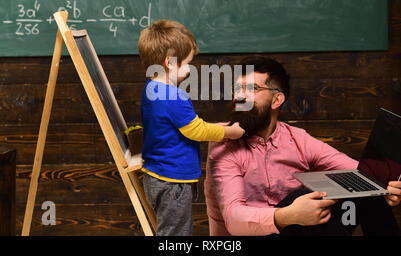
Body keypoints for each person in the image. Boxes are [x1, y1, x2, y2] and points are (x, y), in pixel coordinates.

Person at [204, 55, 401, 236]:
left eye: (252, 89)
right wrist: (289, 215)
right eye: (237, 89)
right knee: (304, 196)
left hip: (297, 231)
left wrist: (386, 188)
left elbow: (357, 172)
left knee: (364, 186)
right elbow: (234, 219)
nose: (240, 96)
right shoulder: (224, 142)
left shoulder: (297, 140)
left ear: (277, 100)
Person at [135, 19, 245, 236]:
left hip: (156, 175)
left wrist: (213, 126)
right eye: (187, 63)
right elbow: (195, 130)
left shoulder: (151, 88)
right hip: (172, 180)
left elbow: (185, 125)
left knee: (166, 228)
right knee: (176, 233)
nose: (189, 70)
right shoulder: (173, 95)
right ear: (169, 62)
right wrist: (229, 132)